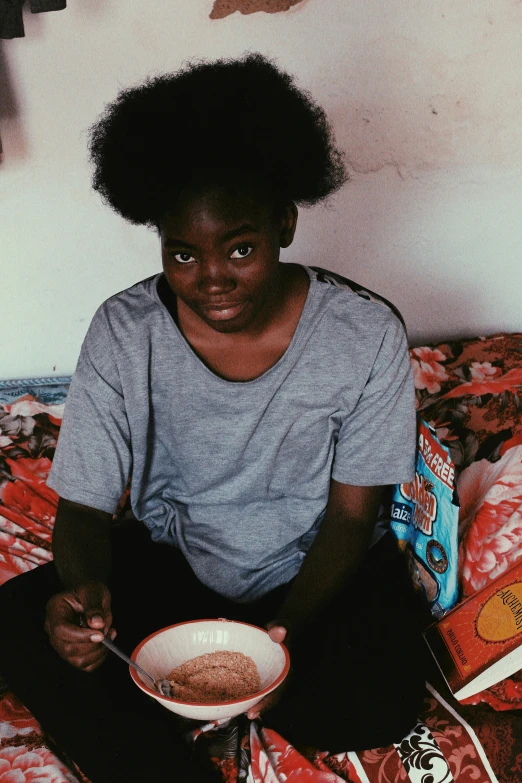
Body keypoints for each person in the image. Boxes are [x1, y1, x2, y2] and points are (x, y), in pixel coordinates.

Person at [0, 54, 429, 783]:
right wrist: (84, 592)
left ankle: (188, 698)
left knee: (381, 700)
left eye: (240, 247)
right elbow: (83, 506)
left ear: (284, 225)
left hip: (311, 574)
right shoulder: (123, 330)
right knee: (22, 624)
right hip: (177, 565)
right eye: (183, 254)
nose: (214, 279)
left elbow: (352, 519)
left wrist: (280, 639)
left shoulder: (365, 332)